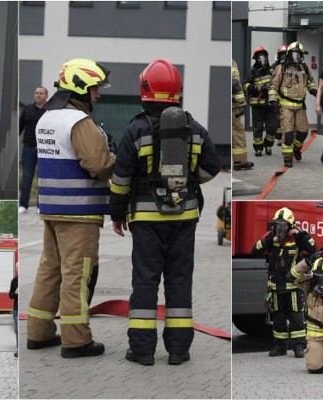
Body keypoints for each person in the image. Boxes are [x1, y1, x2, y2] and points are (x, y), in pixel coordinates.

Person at [110, 59, 221, 366]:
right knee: (179, 281)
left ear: (144, 90)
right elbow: (213, 167)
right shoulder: (195, 128)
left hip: (145, 221)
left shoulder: (136, 129)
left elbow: (120, 178)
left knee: (145, 283)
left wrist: (117, 213)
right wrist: (188, 181)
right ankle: (178, 350)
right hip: (184, 219)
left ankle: (143, 351)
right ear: (177, 91)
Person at [25, 58, 115, 359]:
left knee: (49, 271)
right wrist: (117, 161)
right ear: (80, 88)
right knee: (77, 274)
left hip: (51, 208)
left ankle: (38, 332)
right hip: (80, 212)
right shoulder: (79, 121)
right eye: (94, 90)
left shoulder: (47, 118)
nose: (97, 95)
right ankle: (76, 340)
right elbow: (99, 165)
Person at [252, 207, 316, 358]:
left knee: (296, 318)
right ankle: (279, 347)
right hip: (275, 287)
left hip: (294, 287)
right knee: (278, 319)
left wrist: (299, 235)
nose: (281, 228)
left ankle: (299, 347)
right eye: (278, 225)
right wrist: (270, 240)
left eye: (284, 225)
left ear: (291, 225)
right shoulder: (270, 237)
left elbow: (313, 249)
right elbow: (255, 249)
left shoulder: (297, 238)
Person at [268, 42, 317, 167]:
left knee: (303, 132)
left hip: (300, 106)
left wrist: (313, 90)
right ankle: (287, 157)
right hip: (286, 106)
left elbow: (310, 81)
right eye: (294, 54)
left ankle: (296, 149)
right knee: (288, 134)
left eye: (299, 55)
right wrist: (273, 100)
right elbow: (273, 86)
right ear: (289, 55)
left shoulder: (304, 68)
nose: (296, 57)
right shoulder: (281, 68)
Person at [243, 46, 279, 157]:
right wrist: (258, 88)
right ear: (256, 58)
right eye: (260, 57)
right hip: (257, 104)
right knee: (257, 127)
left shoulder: (272, 70)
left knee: (272, 126)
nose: (262, 59)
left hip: (270, 103)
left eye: (264, 56)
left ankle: (268, 145)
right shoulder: (252, 72)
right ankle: (258, 148)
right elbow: (245, 85)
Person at [19, 87, 49, 214]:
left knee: (42, 177)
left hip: (45, 149)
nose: (38, 95)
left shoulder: (50, 111)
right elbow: (20, 126)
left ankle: (40, 205)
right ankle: (23, 205)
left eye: (41, 93)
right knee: (26, 177)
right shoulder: (27, 109)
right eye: (36, 93)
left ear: (46, 96)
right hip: (29, 147)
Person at [232, 59, 253, 171]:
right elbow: (234, 82)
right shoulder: (231, 62)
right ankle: (240, 161)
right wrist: (241, 103)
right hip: (232, 106)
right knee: (237, 132)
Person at [270, 44, 288, 147]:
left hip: (287, 96)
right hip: (277, 95)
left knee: (285, 118)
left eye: (285, 54)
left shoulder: (291, 66)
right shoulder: (274, 67)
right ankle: (279, 136)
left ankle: (282, 137)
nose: (283, 56)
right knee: (277, 118)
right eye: (281, 54)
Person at [9, 265, 18, 357]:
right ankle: (18, 348)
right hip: (16, 309)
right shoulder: (14, 281)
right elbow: (10, 296)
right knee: (18, 329)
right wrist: (15, 293)